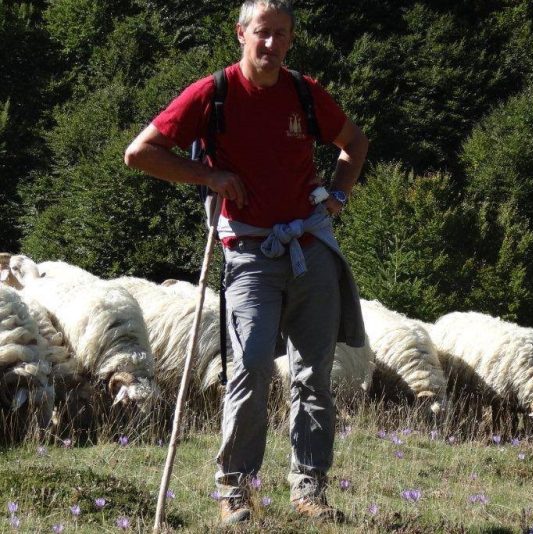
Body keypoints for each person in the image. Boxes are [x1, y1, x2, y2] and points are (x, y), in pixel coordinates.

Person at [124, 0, 368, 525]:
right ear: (241, 33)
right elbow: (140, 153)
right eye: (263, 33)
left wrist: (338, 197)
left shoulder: (305, 93)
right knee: (252, 366)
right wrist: (209, 178)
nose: (272, 44)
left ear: (291, 39)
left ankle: (310, 488)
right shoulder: (213, 93)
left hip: (311, 246)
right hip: (250, 251)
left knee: (314, 375)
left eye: (282, 34)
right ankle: (236, 490)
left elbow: (354, 143)